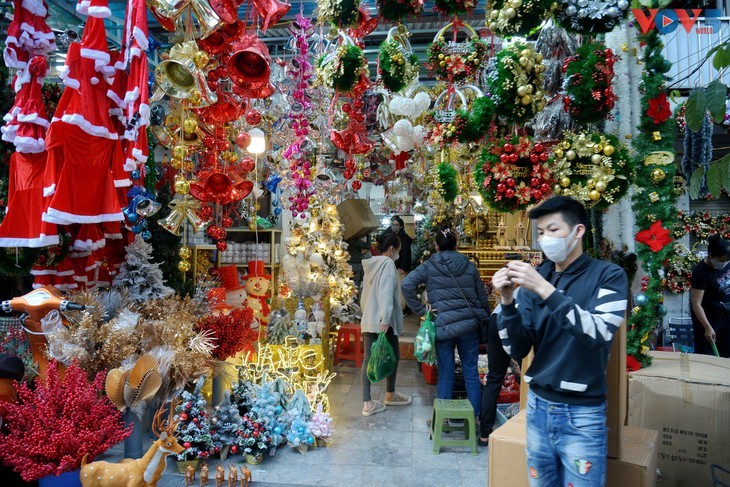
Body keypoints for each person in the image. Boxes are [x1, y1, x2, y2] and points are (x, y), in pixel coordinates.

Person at [491, 196, 628, 487]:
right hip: (539, 407)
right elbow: (517, 349)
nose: (545, 239)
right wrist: (506, 302)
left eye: (553, 230)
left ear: (578, 231)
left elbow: (598, 333)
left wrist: (544, 288)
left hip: (582, 413)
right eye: (540, 232)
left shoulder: (608, 276)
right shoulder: (535, 281)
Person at [402, 227, 489, 417]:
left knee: (446, 373)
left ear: (436, 246)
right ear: (456, 245)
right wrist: (484, 320)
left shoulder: (430, 265)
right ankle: (475, 419)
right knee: (471, 374)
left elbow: (406, 284)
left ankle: (444, 420)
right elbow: (482, 296)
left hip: (442, 325)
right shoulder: (468, 264)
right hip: (468, 326)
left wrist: (420, 311)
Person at [360, 232, 412, 417]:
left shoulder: (371, 264)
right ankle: (389, 394)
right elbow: (385, 292)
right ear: (392, 249)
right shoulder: (388, 264)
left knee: (368, 359)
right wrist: (386, 318)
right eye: (398, 249)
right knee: (393, 356)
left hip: (369, 318)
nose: (398, 253)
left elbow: (365, 294)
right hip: (383, 320)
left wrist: (367, 314)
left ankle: (368, 402)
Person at [478, 298, 514, 447]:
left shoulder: (520, 288)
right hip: (514, 320)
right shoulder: (548, 283)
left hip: (497, 317)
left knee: (494, 378)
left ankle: (484, 435)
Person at [690, 234, 730, 358]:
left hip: (726, 314)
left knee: (726, 353)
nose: (724, 263)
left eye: (727, 260)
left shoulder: (727, 261)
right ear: (711, 255)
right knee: (708, 356)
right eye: (722, 260)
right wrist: (707, 327)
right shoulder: (701, 272)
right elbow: (696, 303)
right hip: (708, 317)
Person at [382, 216, 413, 312]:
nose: (394, 227)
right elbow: (379, 238)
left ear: (401, 226)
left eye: (396, 225)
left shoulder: (405, 238)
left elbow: (406, 253)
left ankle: (401, 308)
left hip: (400, 267)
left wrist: (403, 267)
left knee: (400, 288)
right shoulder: (391, 235)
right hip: (393, 266)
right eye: (392, 224)